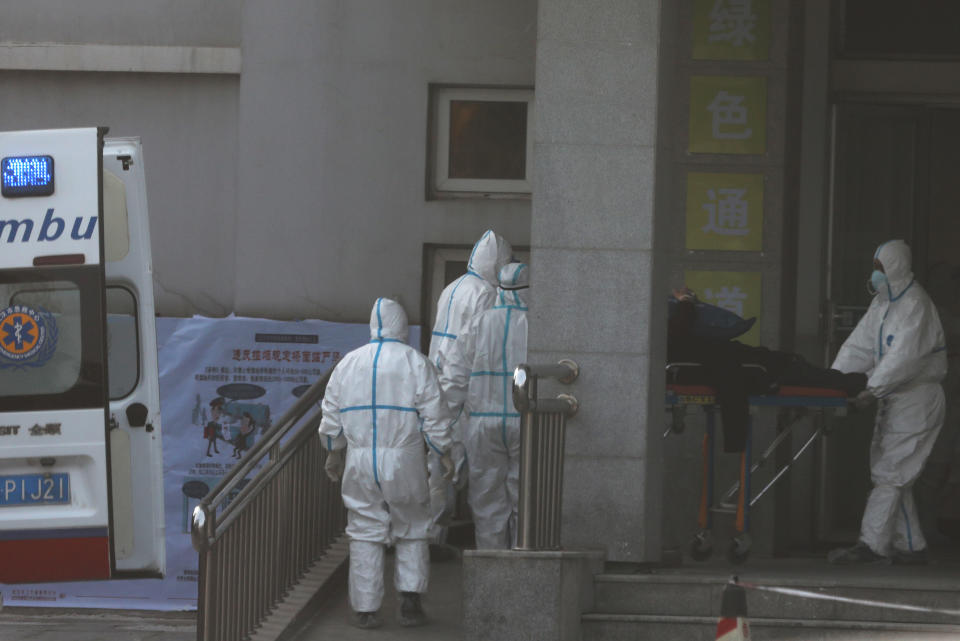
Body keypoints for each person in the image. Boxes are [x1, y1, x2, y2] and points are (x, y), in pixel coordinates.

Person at [318, 298, 456, 629]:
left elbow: (331, 415)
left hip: (360, 458)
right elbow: (434, 415)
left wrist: (333, 451)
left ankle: (365, 609)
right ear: (402, 326)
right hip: (404, 458)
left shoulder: (348, 364)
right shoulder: (415, 362)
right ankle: (410, 602)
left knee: (364, 530)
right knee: (412, 526)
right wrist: (444, 451)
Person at [827, 240, 947, 565]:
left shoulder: (915, 305)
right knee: (895, 473)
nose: (875, 274)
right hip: (894, 397)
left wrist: (872, 389)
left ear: (894, 266)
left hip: (917, 399)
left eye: (880, 267)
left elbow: (904, 358)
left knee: (891, 471)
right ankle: (911, 545)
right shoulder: (883, 304)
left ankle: (872, 545)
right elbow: (860, 347)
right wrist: (833, 382)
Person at [667, 288, 866, 453]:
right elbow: (680, 327)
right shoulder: (674, 343)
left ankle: (864, 385)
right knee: (814, 376)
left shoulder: (676, 350)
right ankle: (865, 386)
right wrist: (686, 301)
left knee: (814, 374)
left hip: (760, 364)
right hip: (768, 369)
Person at [426, 230, 512, 544]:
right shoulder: (487, 295)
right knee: (470, 469)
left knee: (439, 462)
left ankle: (432, 535)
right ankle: (469, 540)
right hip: (465, 390)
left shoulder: (452, 288)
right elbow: (481, 346)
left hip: (439, 385)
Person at [440, 263, 529, 549]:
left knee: (487, 503)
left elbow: (454, 381)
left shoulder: (476, 324)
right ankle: (524, 566)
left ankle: (492, 574)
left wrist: (445, 432)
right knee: (525, 501)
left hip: (481, 425)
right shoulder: (538, 325)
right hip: (526, 422)